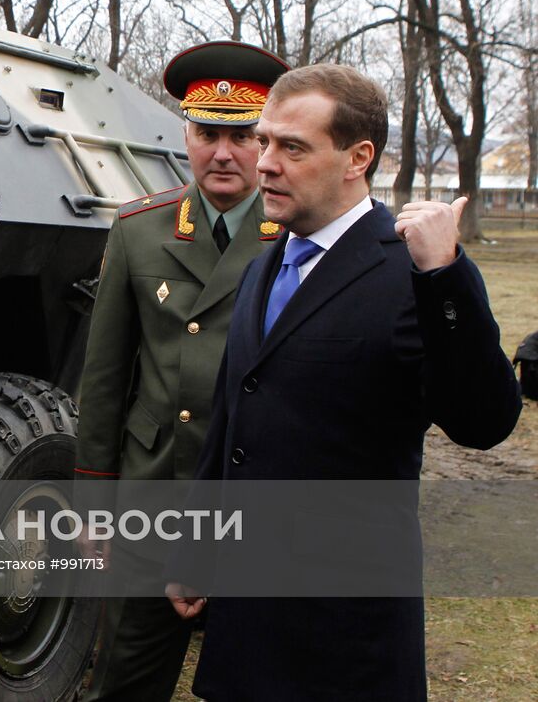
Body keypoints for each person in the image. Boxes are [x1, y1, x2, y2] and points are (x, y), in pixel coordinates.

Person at [166, 63, 521, 701]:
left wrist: (445, 276)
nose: (265, 163)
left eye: (292, 147)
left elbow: (485, 420)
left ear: (358, 158)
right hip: (247, 629)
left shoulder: (408, 271)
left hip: (342, 640)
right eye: (266, 141)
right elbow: (231, 423)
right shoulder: (264, 264)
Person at [73, 42, 288, 701]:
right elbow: (105, 377)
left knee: (255, 678)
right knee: (127, 676)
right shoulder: (140, 230)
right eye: (207, 133)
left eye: (241, 135)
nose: (222, 151)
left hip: (255, 501)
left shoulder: (297, 234)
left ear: (265, 141)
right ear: (185, 135)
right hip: (153, 496)